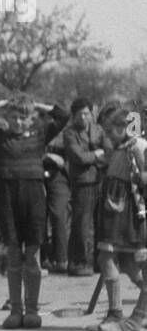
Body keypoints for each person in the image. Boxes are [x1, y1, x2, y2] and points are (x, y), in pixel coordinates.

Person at [0, 94, 68, 328]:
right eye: (14, 116)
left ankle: (32, 311)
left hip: (34, 199)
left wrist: (37, 104)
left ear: (32, 119)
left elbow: (62, 115)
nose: (18, 121)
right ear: (7, 117)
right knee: (14, 256)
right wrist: (5, 102)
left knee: (33, 257)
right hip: (7, 199)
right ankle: (16, 310)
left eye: (24, 117)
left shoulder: (40, 135)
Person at [92, 103, 147, 331]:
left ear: (122, 127)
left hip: (131, 218)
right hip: (115, 217)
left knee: (116, 260)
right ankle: (125, 319)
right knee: (126, 263)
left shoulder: (138, 147)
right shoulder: (122, 148)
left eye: (109, 131)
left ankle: (120, 316)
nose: (107, 136)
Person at [63, 98, 104, 275]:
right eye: (80, 114)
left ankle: (100, 262)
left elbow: (109, 152)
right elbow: (78, 157)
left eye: (86, 113)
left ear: (92, 113)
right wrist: (96, 154)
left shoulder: (98, 130)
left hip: (100, 181)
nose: (83, 117)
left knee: (101, 224)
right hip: (82, 183)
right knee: (81, 224)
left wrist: (92, 157)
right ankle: (77, 262)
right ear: (74, 116)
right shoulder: (69, 133)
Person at [42, 128, 70, 274]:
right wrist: (48, 156)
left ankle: (61, 260)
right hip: (37, 174)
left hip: (59, 177)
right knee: (39, 217)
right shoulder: (36, 132)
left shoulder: (67, 134)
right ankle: (42, 259)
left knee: (58, 216)